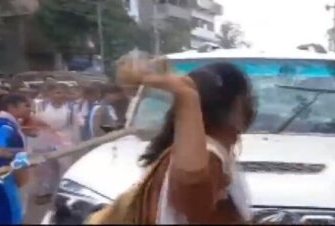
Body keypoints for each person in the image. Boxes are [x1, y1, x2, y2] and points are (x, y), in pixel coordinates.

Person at [88, 62, 256, 224]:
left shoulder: (214, 150)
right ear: (238, 105)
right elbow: (193, 192)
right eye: (249, 98)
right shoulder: (207, 155)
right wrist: (186, 95)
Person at [28, 83, 79, 204]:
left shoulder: (71, 108)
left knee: (63, 167)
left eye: (63, 93)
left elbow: (74, 127)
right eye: (57, 92)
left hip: (63, 139)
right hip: (43, 139)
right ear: (50, 94)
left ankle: (63, 193)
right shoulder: (40, 106)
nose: (61, 96)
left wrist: (74, 142)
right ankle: (44, 192)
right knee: (44, 167)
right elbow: (33, 122)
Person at [0, 94, 31, 224]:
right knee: (7, 216)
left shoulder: (0, 124)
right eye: (26, 105)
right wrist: (22, 155)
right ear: (12, 107)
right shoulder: (5, 127)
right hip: (0, 181)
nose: (30, 109)